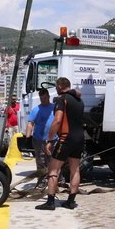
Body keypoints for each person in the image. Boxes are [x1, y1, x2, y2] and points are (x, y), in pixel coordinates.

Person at [36, 77, 84, 211]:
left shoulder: (61, 99)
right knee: (75, 169)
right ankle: (71, 201)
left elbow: (57, 120)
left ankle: (50, 202)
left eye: (56, 87)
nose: (56, 89)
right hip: (79, 138)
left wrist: (50, 140)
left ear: (59, 86)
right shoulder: (80, 100)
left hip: (66, 138)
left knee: (53, 169)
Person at [25, 88, 55, 174]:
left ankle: (55, 178)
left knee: (53, 160)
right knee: (40, 160)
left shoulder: (54, 108)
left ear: (48, 97)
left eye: (45, 98)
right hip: (39, 139)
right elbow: (30, 124)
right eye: (41, 98)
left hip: (53, 139)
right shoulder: (36, 109)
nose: (43, 100)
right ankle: (42, 178)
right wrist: (27, 137)